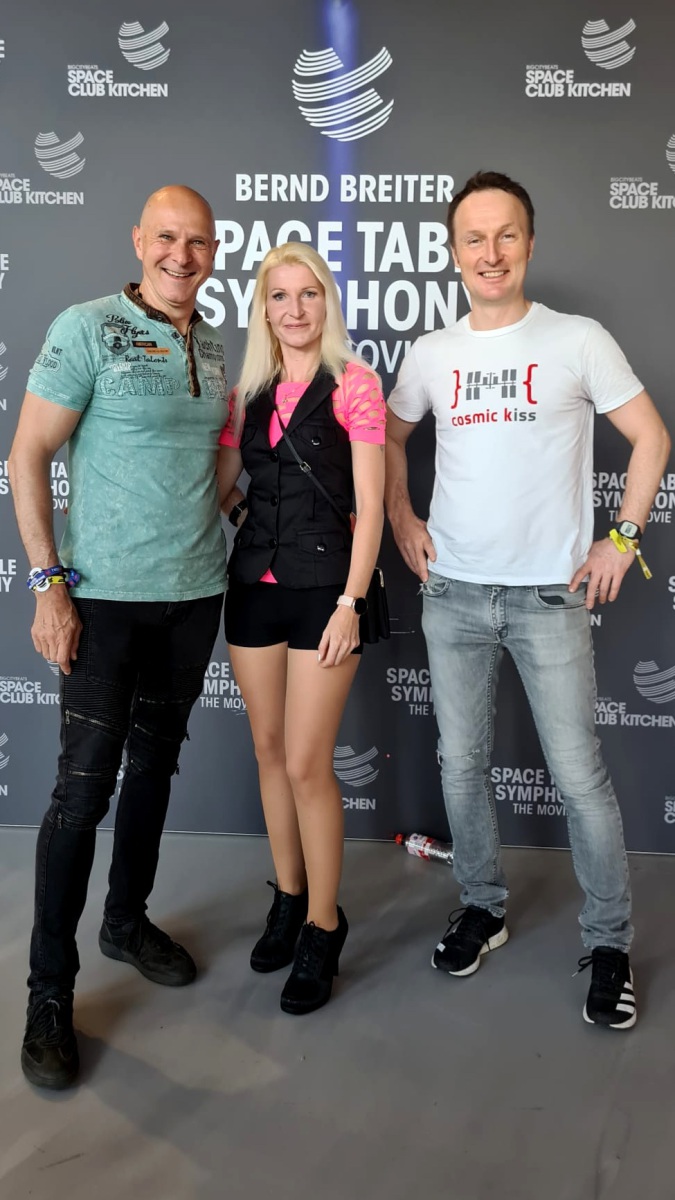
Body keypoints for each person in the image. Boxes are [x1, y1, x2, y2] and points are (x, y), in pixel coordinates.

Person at [385, 171, 671, 1030]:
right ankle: (482, 906)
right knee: (460, 765)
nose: (490, 252)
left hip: (549, 596)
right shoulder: (431, 354)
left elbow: (650, 437)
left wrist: (622, 537)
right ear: (453, 252)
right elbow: (389, 438)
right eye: (473, 238)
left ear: (529, 243)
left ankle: (608, 943)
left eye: (505, 234)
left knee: (578, 776)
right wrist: (401, 517)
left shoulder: (577, 339)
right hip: (453, 593)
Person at [9, 185, 227, 1088]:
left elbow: (212, 464)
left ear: (213, 252)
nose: (182, 255)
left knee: (155, 768)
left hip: (195, 595)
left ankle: (125, 921)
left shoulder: (213, 343)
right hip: (101, 602)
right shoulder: (87, 327)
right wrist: (48, 584)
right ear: (139, 240)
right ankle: (48, 994)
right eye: (167, 238)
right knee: (81, 793)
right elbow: (26, 454)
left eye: (198, 242)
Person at [217, 242, 385, 1015]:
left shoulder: (354, 384)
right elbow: (221, 486)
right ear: (263, 308)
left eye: (307, 293)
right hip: (252, 589)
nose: (294, 309)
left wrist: (351, 603)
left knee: (309, 763)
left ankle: (323, 924)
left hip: (326, 594)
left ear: (326, 302)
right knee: (269, 749)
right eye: (279, 296)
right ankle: (288, 897)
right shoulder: (243, 395)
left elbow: (371, 509)